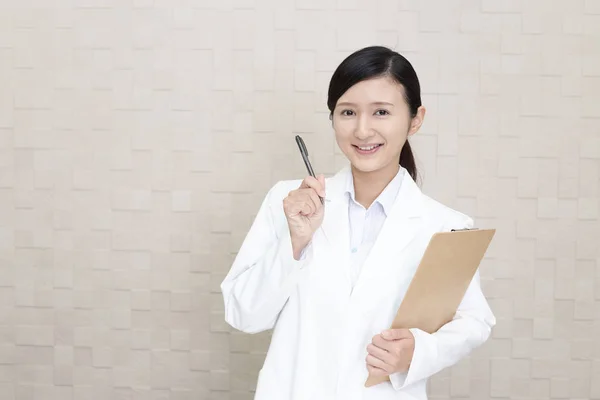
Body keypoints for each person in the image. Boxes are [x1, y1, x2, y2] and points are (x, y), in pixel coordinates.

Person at [220, 46, 496, 400]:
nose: (363, 130)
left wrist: (420, 351)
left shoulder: (446, 226)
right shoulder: (288, 202)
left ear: (416, 119)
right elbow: (243, 314)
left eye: (381, 112)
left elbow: (475, 321)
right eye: (348, 112)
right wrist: (296, 242)